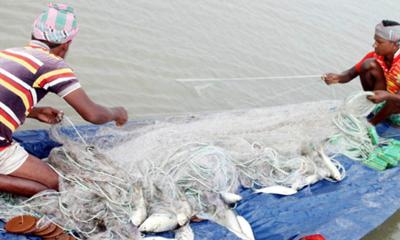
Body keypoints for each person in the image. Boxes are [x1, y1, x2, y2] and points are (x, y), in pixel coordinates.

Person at [0, 3, 128, 197]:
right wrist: (117, 113)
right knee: (59, 185)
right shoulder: (52, 64)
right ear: (66, 44)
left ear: (34, 34)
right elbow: (92, 114)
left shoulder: (8, 54)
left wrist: (34, 112)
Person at [322, 20, 400, 125]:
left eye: (379, 42)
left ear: (395, 45)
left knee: (394, 97)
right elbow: (350, 74)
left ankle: (372, 124)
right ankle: (376, 106)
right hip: (384, 96)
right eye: (375, 41)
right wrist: (337, 77)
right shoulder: (376, 55)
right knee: (368, 65)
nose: (374, 45)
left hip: (395, 101)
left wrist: (388, 96)